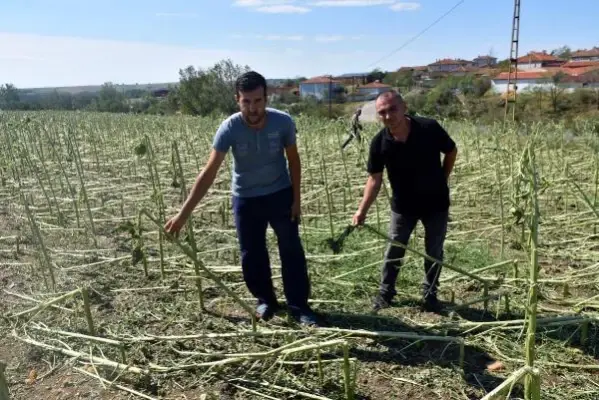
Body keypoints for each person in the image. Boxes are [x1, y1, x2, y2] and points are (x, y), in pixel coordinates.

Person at [164, 71, 318, 327]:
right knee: (251, 253)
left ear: (266, 98)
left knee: (291, 249)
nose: (253, 108)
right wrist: (183, 214)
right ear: (237, 100)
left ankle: (299, 306)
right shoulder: (229, 128)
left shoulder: (283, 123)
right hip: (246, 198)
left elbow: (294, 160)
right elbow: (209, 171)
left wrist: (296, 198)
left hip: (280, 193)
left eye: (258, 101)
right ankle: (266, 300)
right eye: (246, 101)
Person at [352, 90, 458, 313]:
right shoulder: (380, 143)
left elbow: (451, 151)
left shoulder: (429, 128)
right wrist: (362, 211)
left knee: (434, 251)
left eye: (392, 109)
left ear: (404, 107)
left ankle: (430, 295)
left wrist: (443, 178)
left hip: (435, 203)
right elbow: (374, 179)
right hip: (403, 207)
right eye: (382, 112)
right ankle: (386, 293)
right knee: (394, 250)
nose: (388, 115)